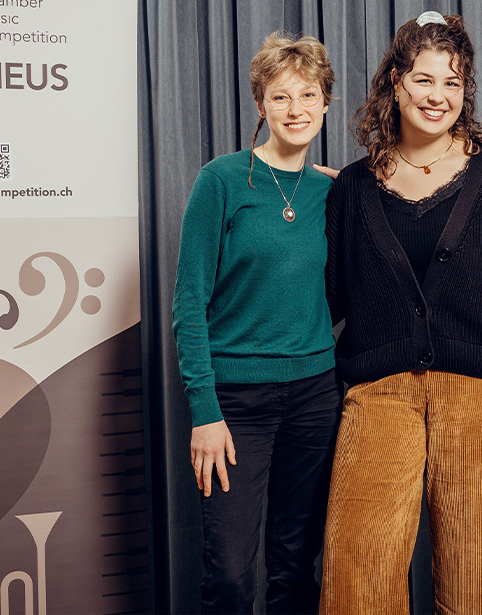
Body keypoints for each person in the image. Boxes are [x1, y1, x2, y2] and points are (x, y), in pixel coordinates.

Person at [319, 12, 482, 615]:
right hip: (377, 392)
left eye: (453, 83)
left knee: (478, 575)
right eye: (425, 80)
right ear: (395, 84)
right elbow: (328, 292)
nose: (438, 96)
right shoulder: (353, 187)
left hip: (479, 392)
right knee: (356, 568)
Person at [172, 32, 343, 615]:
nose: (296, 110)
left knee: (297, 564)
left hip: (316, 397)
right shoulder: (221, 181)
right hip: (234, 402)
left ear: (326, 103)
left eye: (309, 95)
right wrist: (205, 411)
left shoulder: (334, 191)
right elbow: (188, 304)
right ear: (260, 104)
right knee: (230, 572)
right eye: (281, 97)